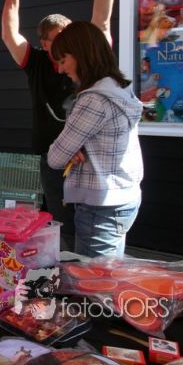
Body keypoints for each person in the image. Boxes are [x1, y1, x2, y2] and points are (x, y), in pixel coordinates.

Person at [1, 0, 114, 237]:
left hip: (88, 157)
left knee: (88, 228)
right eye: (60, 37)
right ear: (45, 43)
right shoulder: (36, 61)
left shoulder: (88, 60)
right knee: (62, 226)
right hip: (52, 158)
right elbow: (9, 35)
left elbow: (102, 24)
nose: (69, 41)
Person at [46, 21, 143, 258]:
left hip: (101, 206)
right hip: (122, 198)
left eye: (63, 60)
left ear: (82, 54)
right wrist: (75, 147)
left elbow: (55, 157)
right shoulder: (119, 89)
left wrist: (70, 148)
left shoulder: (94, 100)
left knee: (94, 278)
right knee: (110, 272)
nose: (60, 69)